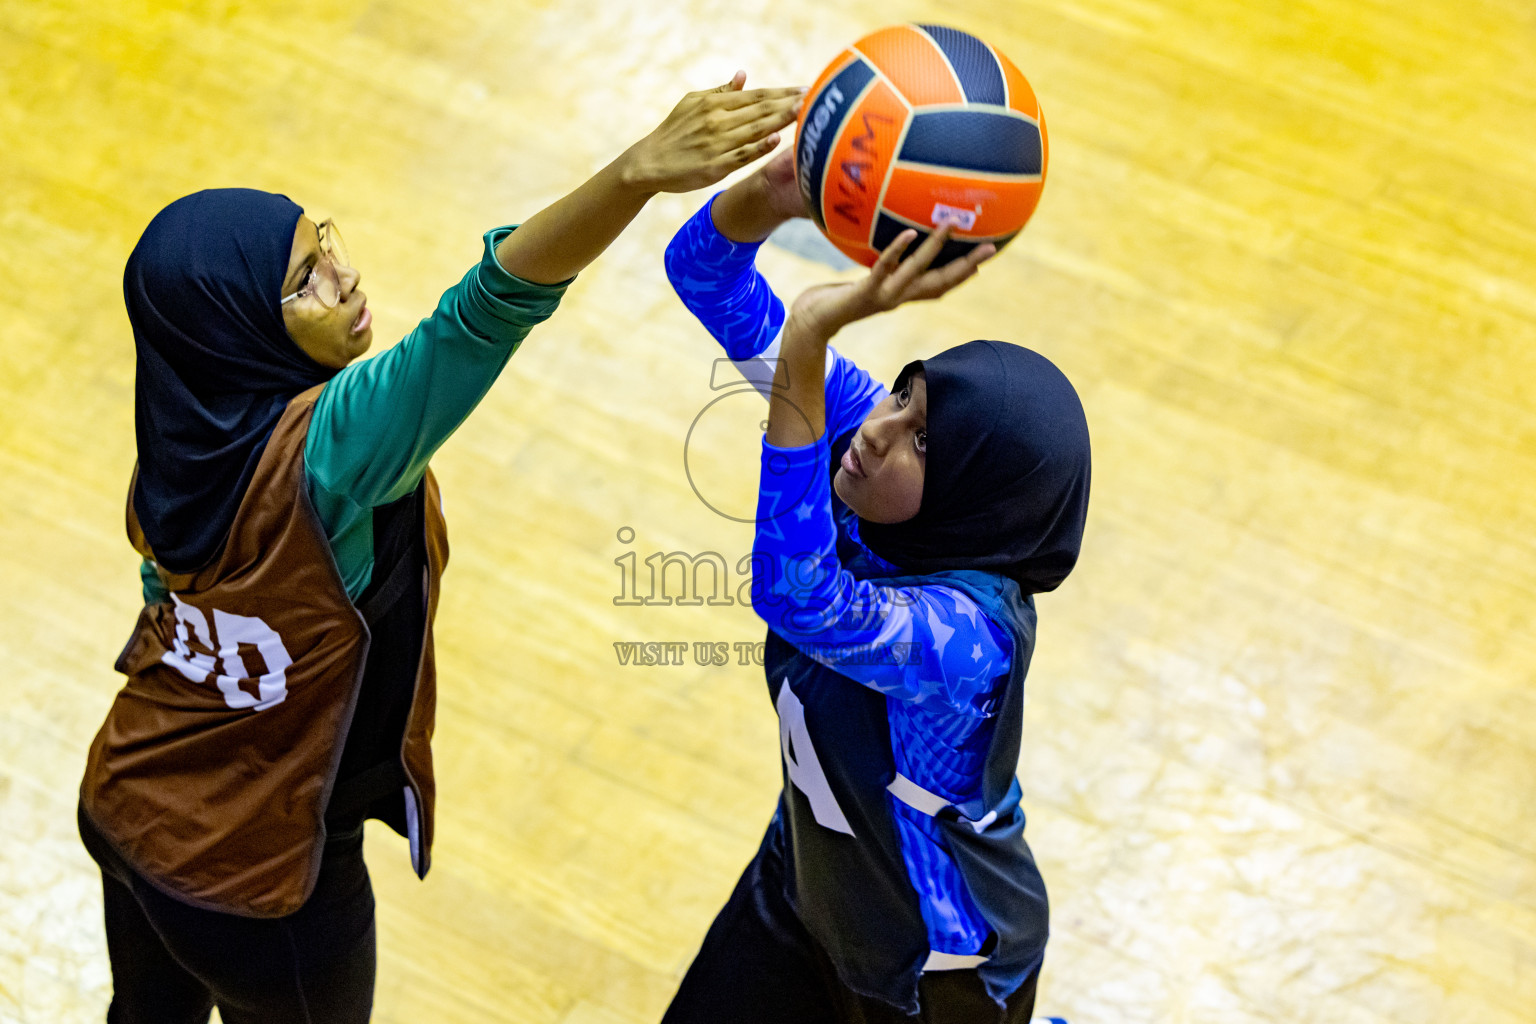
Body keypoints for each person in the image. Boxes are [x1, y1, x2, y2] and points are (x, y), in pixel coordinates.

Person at [76, 73, 803, 1024]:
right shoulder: (330, 451)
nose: (344, 278)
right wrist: (634, 175)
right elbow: (488, 308)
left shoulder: (178, 441)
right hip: (257, 884)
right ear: (238, 330)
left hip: (123, 802)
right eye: (302, 282)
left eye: (322, 242)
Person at [658, 151, 1091, 1023]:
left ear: (977, 497)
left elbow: (797, 596)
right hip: (804, 889)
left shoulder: (968, 641)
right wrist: (777, 196)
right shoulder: (867, 438)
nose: (876, 430)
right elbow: (701, 271)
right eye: (901, 394)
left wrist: (811, 343)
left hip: (933, 968)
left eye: (923, 439)